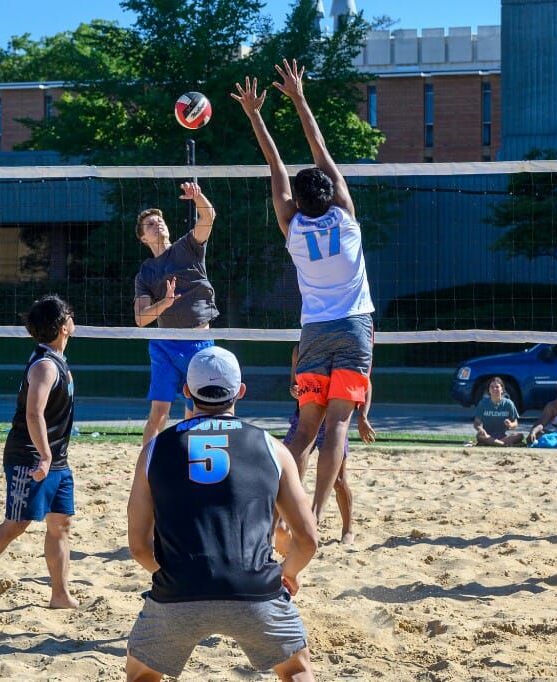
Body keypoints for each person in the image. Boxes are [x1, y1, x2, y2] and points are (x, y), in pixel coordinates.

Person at [233, 61, 375, 524]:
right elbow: (320, 146)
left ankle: (280, 515)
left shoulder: (291, 224)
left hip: (313, 331)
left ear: (297, 200)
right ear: (332, 193)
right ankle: (313, 512)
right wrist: (298, 97)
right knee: (336, 425)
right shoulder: (346, 215)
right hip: (353, 328)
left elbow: (274, 163)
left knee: (305, 430)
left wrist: (255, 114)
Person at [126, 346, 318, 681]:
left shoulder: (154, 450)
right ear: (240, 391)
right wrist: (288, 573)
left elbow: (139, 546)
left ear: (186, 391)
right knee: (296, 668)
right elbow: (308, 539)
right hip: (256, 588)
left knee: (141, 673)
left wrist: (172, 572)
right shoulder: (274, 449)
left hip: (178, 591)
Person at [0, 295, 78, 611]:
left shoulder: (56, 360)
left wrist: (53, 456)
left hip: (55, 458)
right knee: (16, 524)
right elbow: (33, 414)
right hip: (30, 457)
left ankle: (60, 595)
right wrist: (45, 456)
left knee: (60, 524)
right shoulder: (45, 366)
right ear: (63, 326)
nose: (73, 319)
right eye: (70, 316)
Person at [133, 181, 219, 446]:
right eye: (150, 224)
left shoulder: (187, 247)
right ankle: (146, 469)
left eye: (160, 221)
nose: (157, 224)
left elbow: (209, 216)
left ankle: (187, 464)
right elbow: (141, 319)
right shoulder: (146, 273)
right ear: (143, 238)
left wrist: (197, 196)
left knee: (196, 413)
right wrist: (165, 303)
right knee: (158, 414)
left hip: (198, 344)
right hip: (165, 343)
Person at [281, 345, 375, 545]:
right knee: (287, 474)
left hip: (332, 423)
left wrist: (363, 416)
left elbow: (365, 383)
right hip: (304, 418)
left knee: (338, 480)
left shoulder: (344, 345)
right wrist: (294, 389)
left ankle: (347, 529)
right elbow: (292, 384)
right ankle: (284, 525)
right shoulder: (300, 348)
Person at [473, 377, 525, 447]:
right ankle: (504, 444)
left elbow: (515, 423)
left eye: (497, 387)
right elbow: (476, 423)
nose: (494, 389)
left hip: (503, 436)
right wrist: (480, 429)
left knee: (520, 436)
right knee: (480, 436)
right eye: (492, 387)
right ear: (489, 390)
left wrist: (510, 425)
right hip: (487, 435)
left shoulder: (509, 403)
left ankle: (494, 443)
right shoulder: (483, 403)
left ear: (502, 389)